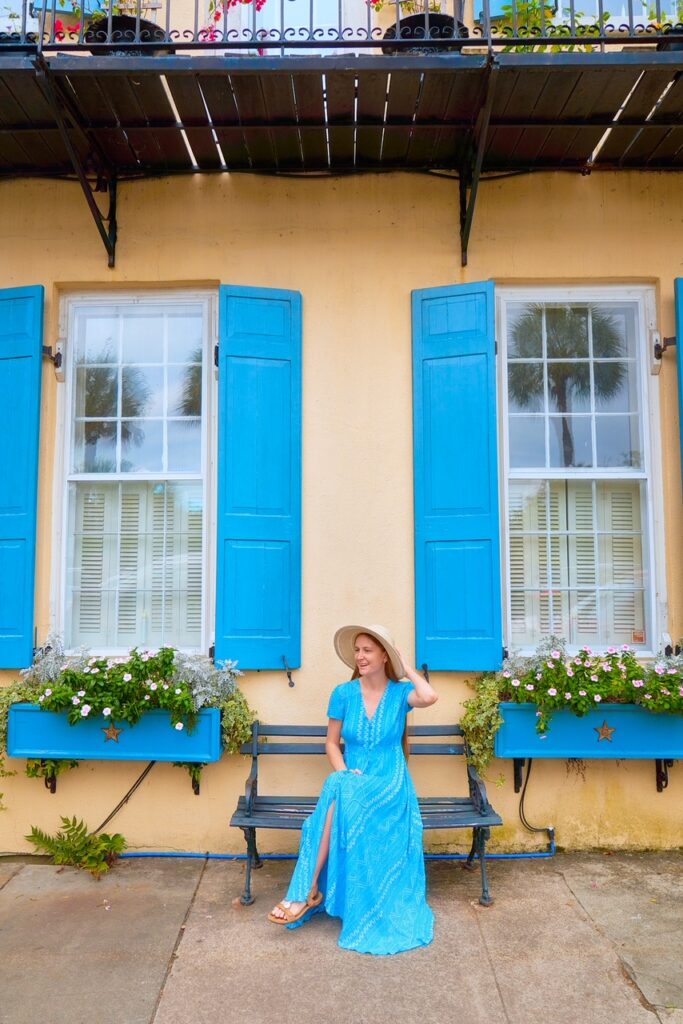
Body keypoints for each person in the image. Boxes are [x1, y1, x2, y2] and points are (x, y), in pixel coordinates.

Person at [268, 623, 439, 955]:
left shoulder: (402, 693)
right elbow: (331, 744)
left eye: (368, 650)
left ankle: (304, 890)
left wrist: (406, 666)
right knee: (339, 784)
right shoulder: (343, 694)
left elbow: (430, 696)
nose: (359, 657)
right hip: (353, 776)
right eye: (357, 650)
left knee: (339, 788)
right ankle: (307, 889)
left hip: (390, 782)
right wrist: (346, 772)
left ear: (384, 656)